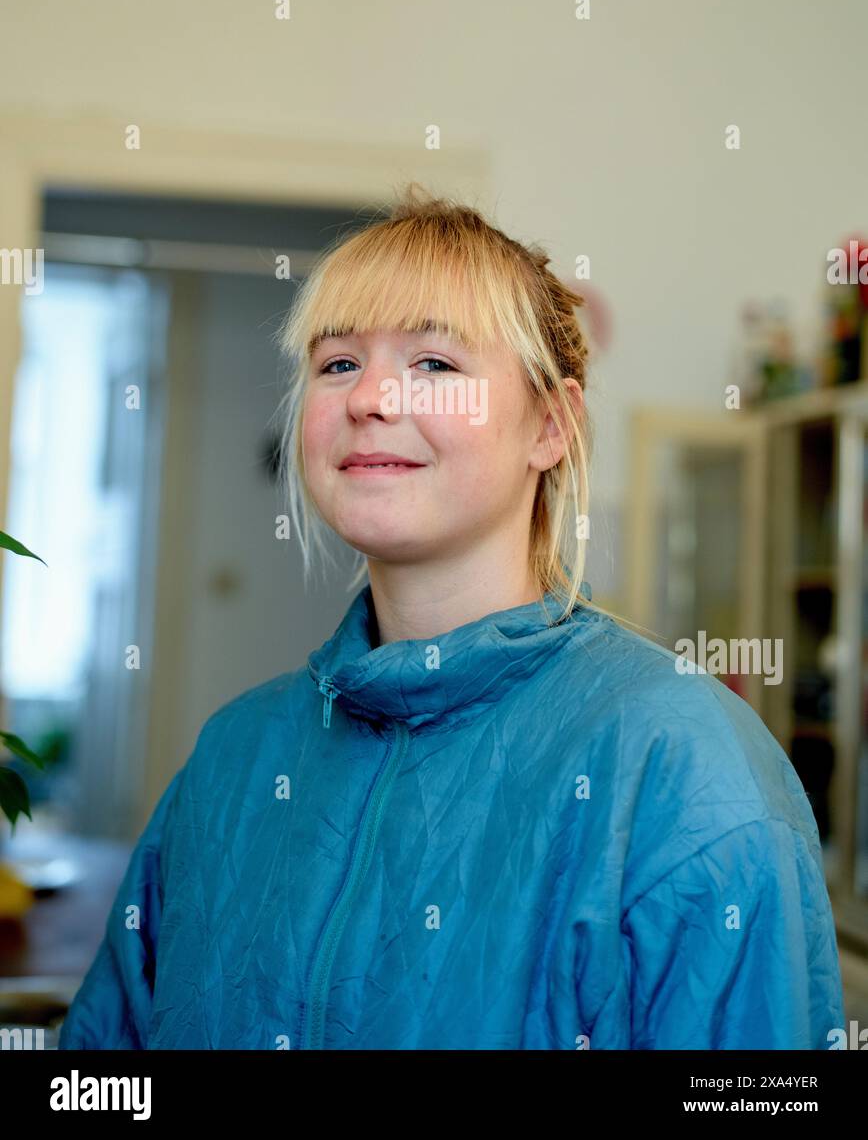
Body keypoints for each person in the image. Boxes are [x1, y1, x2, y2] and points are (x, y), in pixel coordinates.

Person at [58, 185, 845, 1050]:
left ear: (550, 424)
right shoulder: (234, 759)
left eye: (434, 363)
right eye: (337, 363)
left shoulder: (683, 767)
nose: (371, 399)